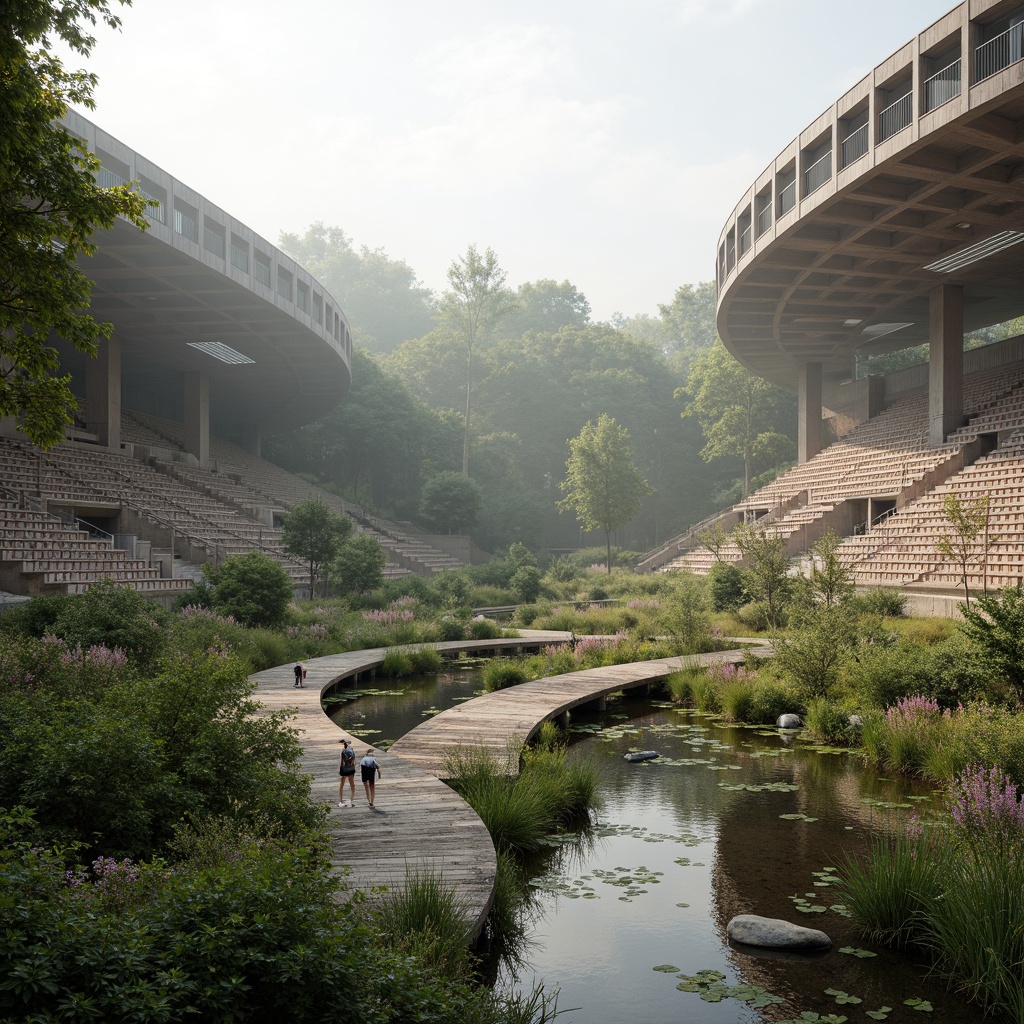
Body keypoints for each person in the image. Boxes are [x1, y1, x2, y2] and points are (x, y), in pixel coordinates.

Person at [338, 739, 356, 807]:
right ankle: (351, 800)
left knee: (342, 784)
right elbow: (353, 761)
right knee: (352, 785)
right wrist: (354, 768)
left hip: (345, 769)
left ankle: (341, 800)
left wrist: (341, 769)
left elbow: (341, 762)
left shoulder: (343, 752)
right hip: (351, 769)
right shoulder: (352, 751)